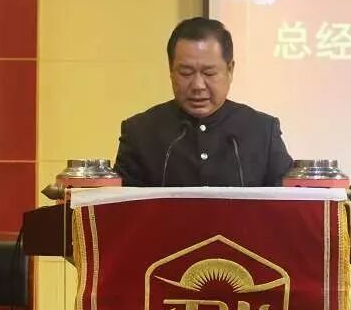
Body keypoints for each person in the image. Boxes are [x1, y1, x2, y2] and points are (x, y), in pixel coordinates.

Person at [113, 17, 293, 187]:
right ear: (171, 70)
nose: (198, 85)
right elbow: (120, 204)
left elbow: (289, 201)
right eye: (186, 73)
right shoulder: (140, 132)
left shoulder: (262, 131)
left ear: (230, 70)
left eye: (209, 73)